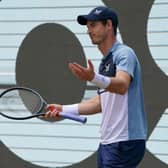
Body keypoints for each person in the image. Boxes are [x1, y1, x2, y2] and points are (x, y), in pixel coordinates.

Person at [45, 6, 147, 168]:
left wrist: (92, 77)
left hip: (124, 142)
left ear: (108, 25)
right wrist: (63, 109)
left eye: (93, 25)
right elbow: (100, 103)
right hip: (108, 143)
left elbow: (121, 85)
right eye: (87, 26)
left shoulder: (124, 54)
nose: (88, 31)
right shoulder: (105, 63)